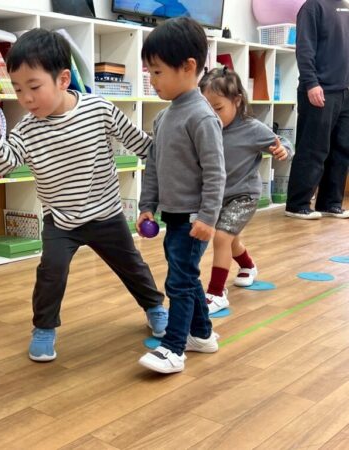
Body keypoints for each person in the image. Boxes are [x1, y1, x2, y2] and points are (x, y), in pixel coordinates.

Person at [0, 28, 167, 363]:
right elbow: (3, 163)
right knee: (51, 273)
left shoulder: (99, 109)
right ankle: (44, 328)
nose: (26, 98)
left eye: (34, 87)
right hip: (61, 221)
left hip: (106, 214)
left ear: (63, 79)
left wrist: (176, 153)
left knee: (132, 267)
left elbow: (144, 146)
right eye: (18, 89)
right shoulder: (27, 128)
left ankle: (154, 307)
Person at [136, 17, 225, 374]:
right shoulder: (163, 118)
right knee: (185, 275)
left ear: (188, 67)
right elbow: (154, 166)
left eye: (157, 72)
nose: (152, 80)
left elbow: (216, 173)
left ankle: (173, 347)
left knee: (179, 280)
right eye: (150, 72)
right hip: (173, 216)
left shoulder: (202, 117)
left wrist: (207, 217)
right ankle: (201, 335)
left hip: (193, 218)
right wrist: (147, 206)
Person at [199, 67, 293, 313]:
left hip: (244, 196)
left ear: (237, 101)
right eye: (206, 109)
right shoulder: (205, 127)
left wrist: (283, 150)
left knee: (222, 237)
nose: (212, 115)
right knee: (231, 241)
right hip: (218, 196)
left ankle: (216, 293)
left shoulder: (252, 128)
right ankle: (248, 266)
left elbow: (282, 142)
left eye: (218, 108)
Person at [285, 0, 349, 220]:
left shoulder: (346, 7)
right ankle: (297, 205)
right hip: (319, 89)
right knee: (313, 148)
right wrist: (311, 83)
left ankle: (330, 203)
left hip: (344, 91)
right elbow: (304, 48)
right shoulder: (312, 7)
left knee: (341, 150)